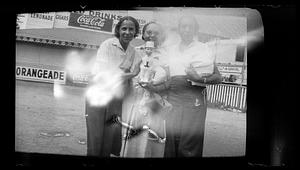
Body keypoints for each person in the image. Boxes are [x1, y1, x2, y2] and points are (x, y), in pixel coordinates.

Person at [163, 15, 222, 157]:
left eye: (191, 26)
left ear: (196, 29)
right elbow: (165, 75)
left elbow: (218, 77)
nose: (187, 29)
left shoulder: (204, 48)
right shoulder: (170, 50)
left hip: (194, 98)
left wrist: (199, 78)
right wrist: (164, 96)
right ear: (178, 29)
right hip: (173, 97)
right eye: (184, 26)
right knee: (171, 138)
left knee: (190, 141)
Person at [85, 16, 141, 157]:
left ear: (135, 32)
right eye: (124, 28)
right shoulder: (108, 44)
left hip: (116, 95)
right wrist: (131, 74)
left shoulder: (133, 51)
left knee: (110, 133)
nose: (127, 32)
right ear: (118, 30)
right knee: (96, 133)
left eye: (131, 29)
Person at [120, 22, 171, 157]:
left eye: (156, 33)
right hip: (133, 101)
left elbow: (171, 83)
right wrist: (133, 73)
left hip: (155, 102)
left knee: (151, 139)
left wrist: (154, 87)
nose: (152, 35)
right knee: (132, 138)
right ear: (142, 34)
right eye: (148, 32)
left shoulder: (167, 55)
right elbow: (121, 74)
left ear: (162, 36)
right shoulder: (134, 51)